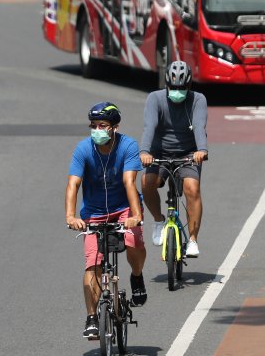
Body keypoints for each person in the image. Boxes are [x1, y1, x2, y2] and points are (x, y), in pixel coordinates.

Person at [65, 102, 147, 339]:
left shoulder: (128, 146)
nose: (97, 130)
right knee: (93, 263)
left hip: (124, 208)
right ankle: (91, 317)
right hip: (94, 211)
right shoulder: (83, 149)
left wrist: (136, 216)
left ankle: (137, 276)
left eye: (102, 125)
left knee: (133, 242)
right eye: (93, 126)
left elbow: (129, 182)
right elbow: (73, 184)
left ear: (115, 127)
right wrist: (71, 216)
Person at [139, 61, 208, 257]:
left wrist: (201, 150)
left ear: (188, 86)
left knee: (192, 189)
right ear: (167, 85)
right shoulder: (155, 98)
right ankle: (159, 220)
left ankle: (193, 240)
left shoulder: (198, 100)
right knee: (147, 181)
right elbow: (149, 127)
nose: (177, 91)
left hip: (188, 153)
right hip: (159, 153)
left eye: (182, 88)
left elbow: (199, 126)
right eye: (173, 88)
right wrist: (144, 152)